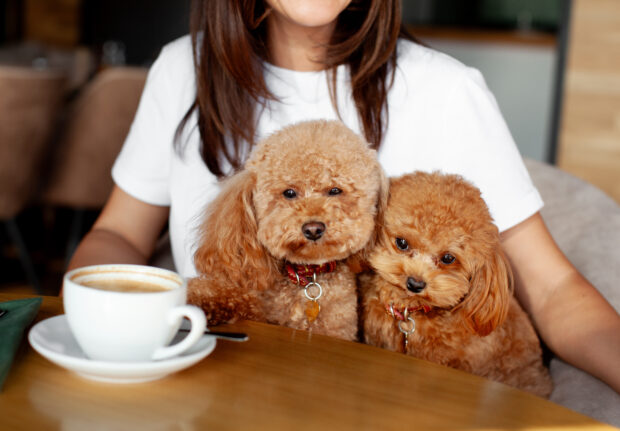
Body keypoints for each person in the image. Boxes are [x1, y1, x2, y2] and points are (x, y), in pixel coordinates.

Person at [68, 0, 620, 395]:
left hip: (364, 396)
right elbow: (118, 233)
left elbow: (550, 291)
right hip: (204, 384)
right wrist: (94, 319)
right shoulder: (182, 69)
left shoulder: (447, 91)